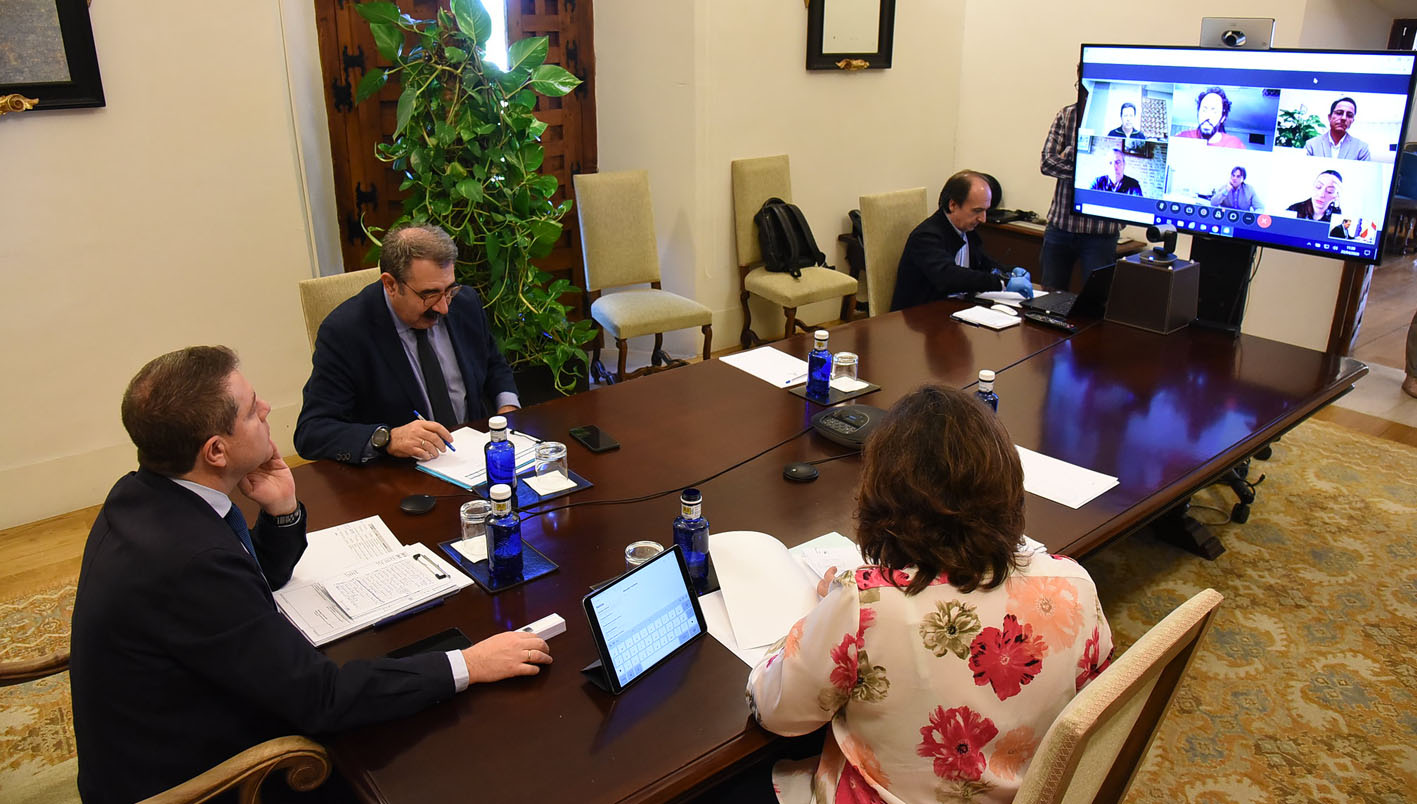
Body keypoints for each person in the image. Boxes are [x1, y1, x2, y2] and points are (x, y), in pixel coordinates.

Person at [70, 346, 552, 803]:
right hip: (200, 777)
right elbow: (322, 700)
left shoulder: (146, 493)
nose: (265, 407)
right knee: (438, 764)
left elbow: (253, 579)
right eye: (250, 409)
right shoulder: (188, 562)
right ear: (216, 451)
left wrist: (281, 512)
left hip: (174, 715)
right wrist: (469, 663)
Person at [746, 385, 1113, 803]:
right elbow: (1090, 697)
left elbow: (779, 712)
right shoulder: (1075, 586)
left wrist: (819, 619)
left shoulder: (866, 604)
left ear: (882, 501)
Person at [295, 223, 519, 465]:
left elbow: (493, 364)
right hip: (403, 475)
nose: (443, 307)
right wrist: (386, 438)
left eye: (449, 290)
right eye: (429, 294)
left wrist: (508, 408)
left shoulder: (465, 303)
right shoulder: (345, 332)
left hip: (475, 458)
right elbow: (312, 432)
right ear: (390, 284)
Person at [889, 171, 1034, 311]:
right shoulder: (926, 236)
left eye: (986, 211)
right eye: (977, 211)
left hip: (955, 310)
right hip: (921, 319)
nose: (983, 219)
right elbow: (949, 277)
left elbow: (983, 263)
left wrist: (1009, 271)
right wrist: (1002, 283)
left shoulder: (966, 228)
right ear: (953, 205)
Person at [1039, 97, 1123, 292]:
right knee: (1048, 297)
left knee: (1095, 301)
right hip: (1060, 228)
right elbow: (1047, 163)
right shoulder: (1067, 115)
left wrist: (1069, 154)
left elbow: (1116, 172)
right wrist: (1086, 172)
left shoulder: (1119, 125)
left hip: (1101, 234)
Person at [1175, 87, 1246, 148]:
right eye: (1204, 110)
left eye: (1214, 111)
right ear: (1198, 113)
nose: (1207, 116)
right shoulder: (1182, 137)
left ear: (1223, 118)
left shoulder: (1235, 145)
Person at [1304, 97, 1371, 161]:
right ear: (1329, 117)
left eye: (1349, 115)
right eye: (1339, 113)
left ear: (1352, 121)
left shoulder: (1361, 149)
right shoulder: (1312, 145)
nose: (1344, 118)